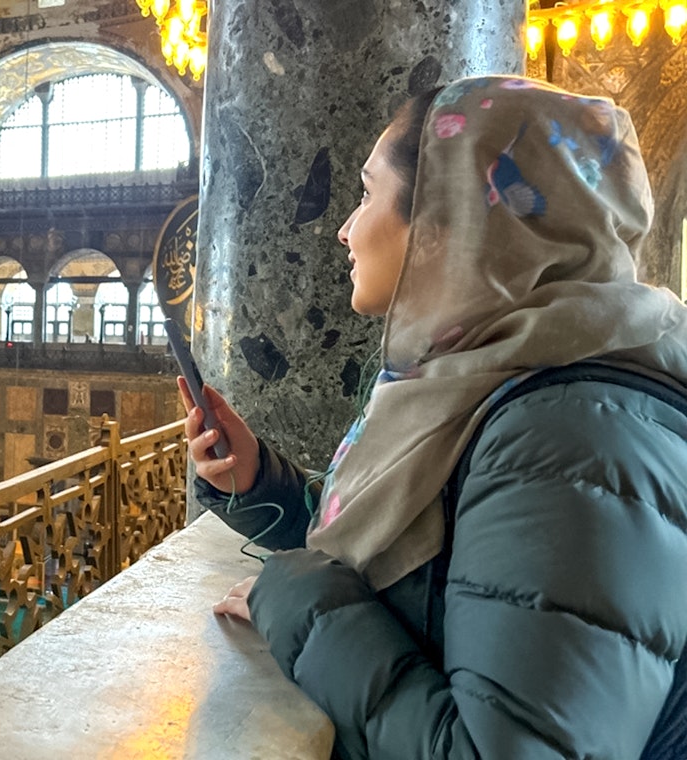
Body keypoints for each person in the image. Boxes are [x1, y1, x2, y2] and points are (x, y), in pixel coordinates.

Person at [183, 75, 687, 758]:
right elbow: (441, 566)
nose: (344, 229)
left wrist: (295, 593)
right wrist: (259, 481)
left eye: (366, 194)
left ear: (441, 230)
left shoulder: (569, 435)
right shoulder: (501, 376)